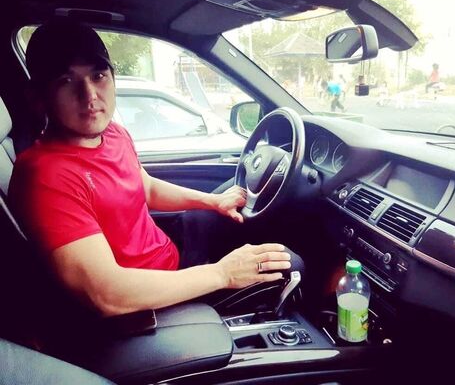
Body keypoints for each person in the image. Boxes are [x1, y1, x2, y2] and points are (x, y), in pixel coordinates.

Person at [8, 19, 293, 322]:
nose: (90, 95)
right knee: (290, 267)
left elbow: (146, 187)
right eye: (66, 81)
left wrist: (212, 201)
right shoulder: (44, 176)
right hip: (147, 300)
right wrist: (223, 273)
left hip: (168, 254)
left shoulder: (113, 133)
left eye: (98, 75)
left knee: (243, 217)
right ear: (38, 98)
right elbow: (106, 293)